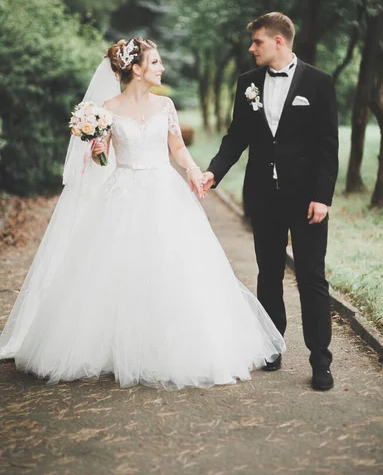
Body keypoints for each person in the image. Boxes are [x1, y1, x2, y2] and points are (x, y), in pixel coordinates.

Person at [0, 37, 285, 389]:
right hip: (122, 193)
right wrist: (99, 149)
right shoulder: (106, 107)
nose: (161, 67)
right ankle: (114, 346)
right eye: (155, 63)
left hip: (165, 191)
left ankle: (168, 346)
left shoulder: (165, 105)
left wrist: (195, 171)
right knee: (117, 269)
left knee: (171, 266)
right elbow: (99, 158)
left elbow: (177, 147)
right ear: (135, 69)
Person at [202, 13, 339, 391]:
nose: (251, 48)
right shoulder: (247, 84)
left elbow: (329, 147)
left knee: (312, 278)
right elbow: (237, 136)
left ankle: (320, 362)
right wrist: (214, 172)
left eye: (257, 41)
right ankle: (271, 346)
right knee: (269, 274)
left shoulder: (319, 82)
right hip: (264, 196)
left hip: (308, 200)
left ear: (279, 41)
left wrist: (322, 198)